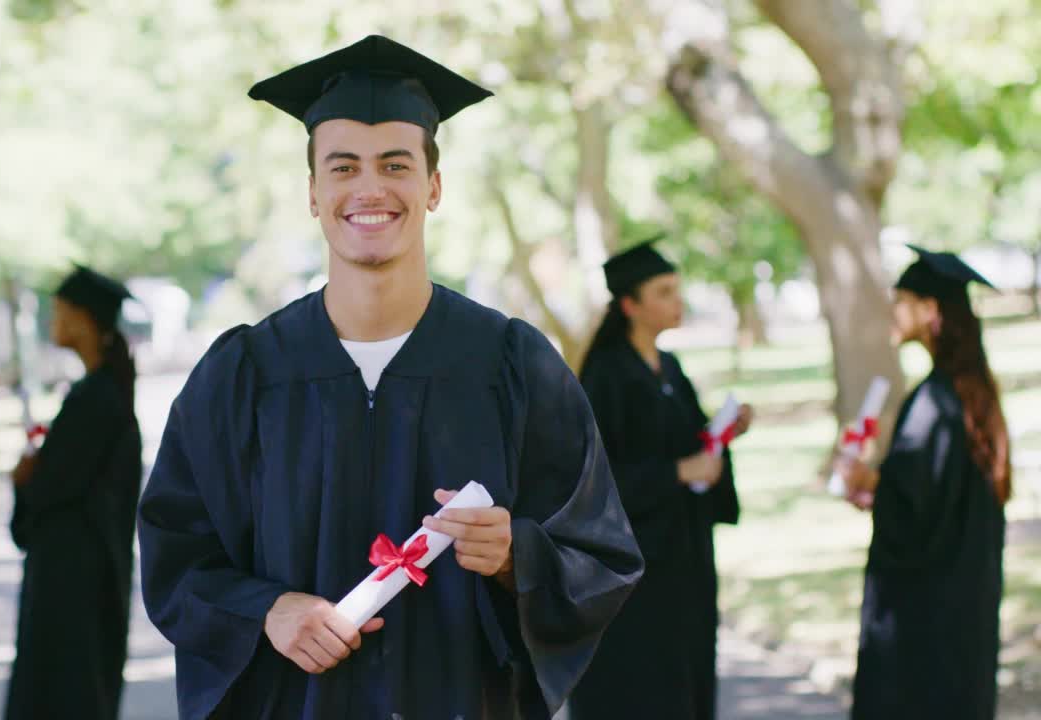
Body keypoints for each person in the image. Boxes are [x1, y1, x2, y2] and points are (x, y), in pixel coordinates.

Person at [137, 35, 643, 720]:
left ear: (432, 187)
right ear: (314, 193)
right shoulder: (244, 374)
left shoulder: (512, 363)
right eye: (342, 168)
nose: (369, 188)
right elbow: (176, 553)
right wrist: (268, 609)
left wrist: (512, 556)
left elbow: (601, 552)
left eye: (395, 165)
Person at [570, 236, 752, 720]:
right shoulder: (605, 377)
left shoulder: (668, 366)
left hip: (683, 554)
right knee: (643, 682)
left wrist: (721, 434)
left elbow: (687, 448)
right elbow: (591, 479)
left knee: (685, 669)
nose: (679, 301)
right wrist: (676, 472)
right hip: (634, 566)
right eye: (665, 292)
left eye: (678, 289)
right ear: (630, 304)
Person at [839, 245, 1009, 720]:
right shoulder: (975, 393)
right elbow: (935, 497)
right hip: (966, 598)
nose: (892, 311)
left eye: (902, 300)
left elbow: (911, 505)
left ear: (930, 310)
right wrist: (877, 487)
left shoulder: (933, 400)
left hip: (923, 612)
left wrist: (868, 478)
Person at [4, 265, 143, 720]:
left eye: (60, 313)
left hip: (72, 580)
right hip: (85, 571)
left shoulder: (96, 399)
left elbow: (51, 489)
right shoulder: (104, 392)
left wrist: (26, 475)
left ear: (85, 321)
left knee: (63, 693)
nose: (53, 323)